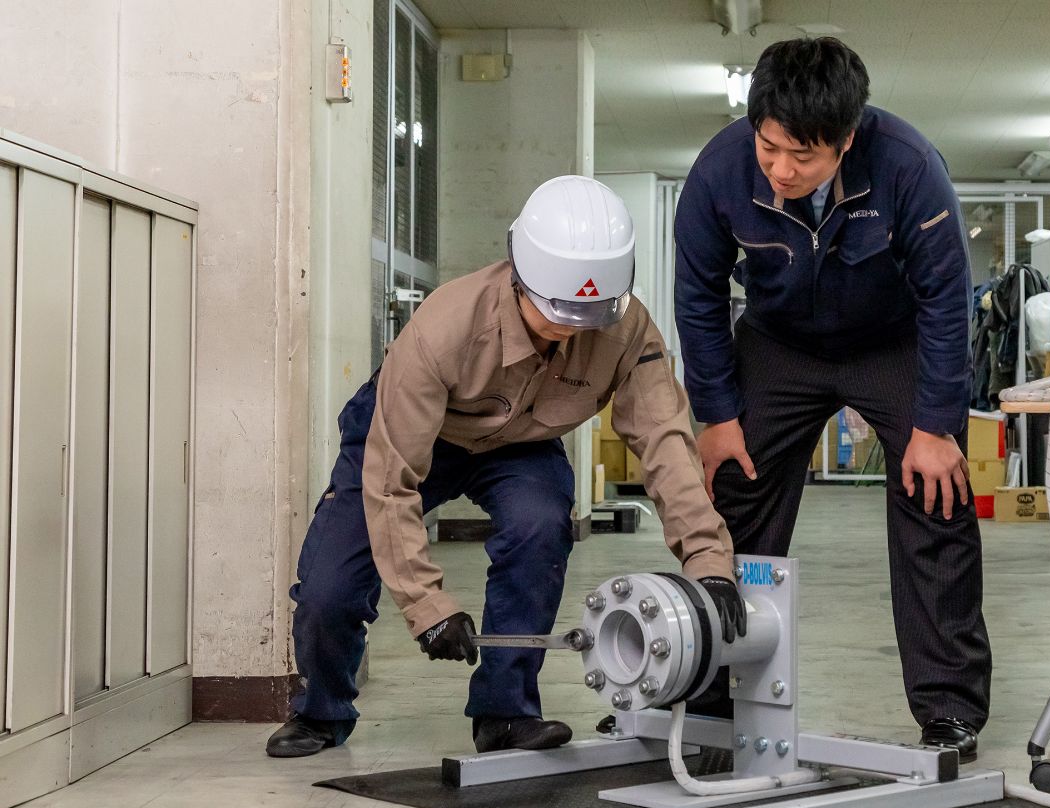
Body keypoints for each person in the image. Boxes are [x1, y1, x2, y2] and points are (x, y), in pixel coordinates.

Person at [266, 176, 747, 758]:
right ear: (520, 276)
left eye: (589, 314)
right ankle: (320, 713)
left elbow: (666, 443)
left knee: (541, 524)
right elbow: (391, 485)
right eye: (559, 312)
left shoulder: (626, 330)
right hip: (415, 433)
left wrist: (709, 559)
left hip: (520, 443)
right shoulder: (442, 330)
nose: (573, 327)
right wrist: (428, 607)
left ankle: (505, 712)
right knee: (330, 589)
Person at [673, 37, 992, 761]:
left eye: (804, 156)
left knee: (934, 496)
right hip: (779, 342)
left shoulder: (910, 168)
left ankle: (949, 709)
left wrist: (937, 425)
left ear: (847, 140)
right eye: (771, 148)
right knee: (732, 489)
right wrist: (718, 415)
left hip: (890, 340)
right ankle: (709, 696)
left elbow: (948, 302)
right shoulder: (721, 170)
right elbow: (697, 297)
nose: (782, 170)